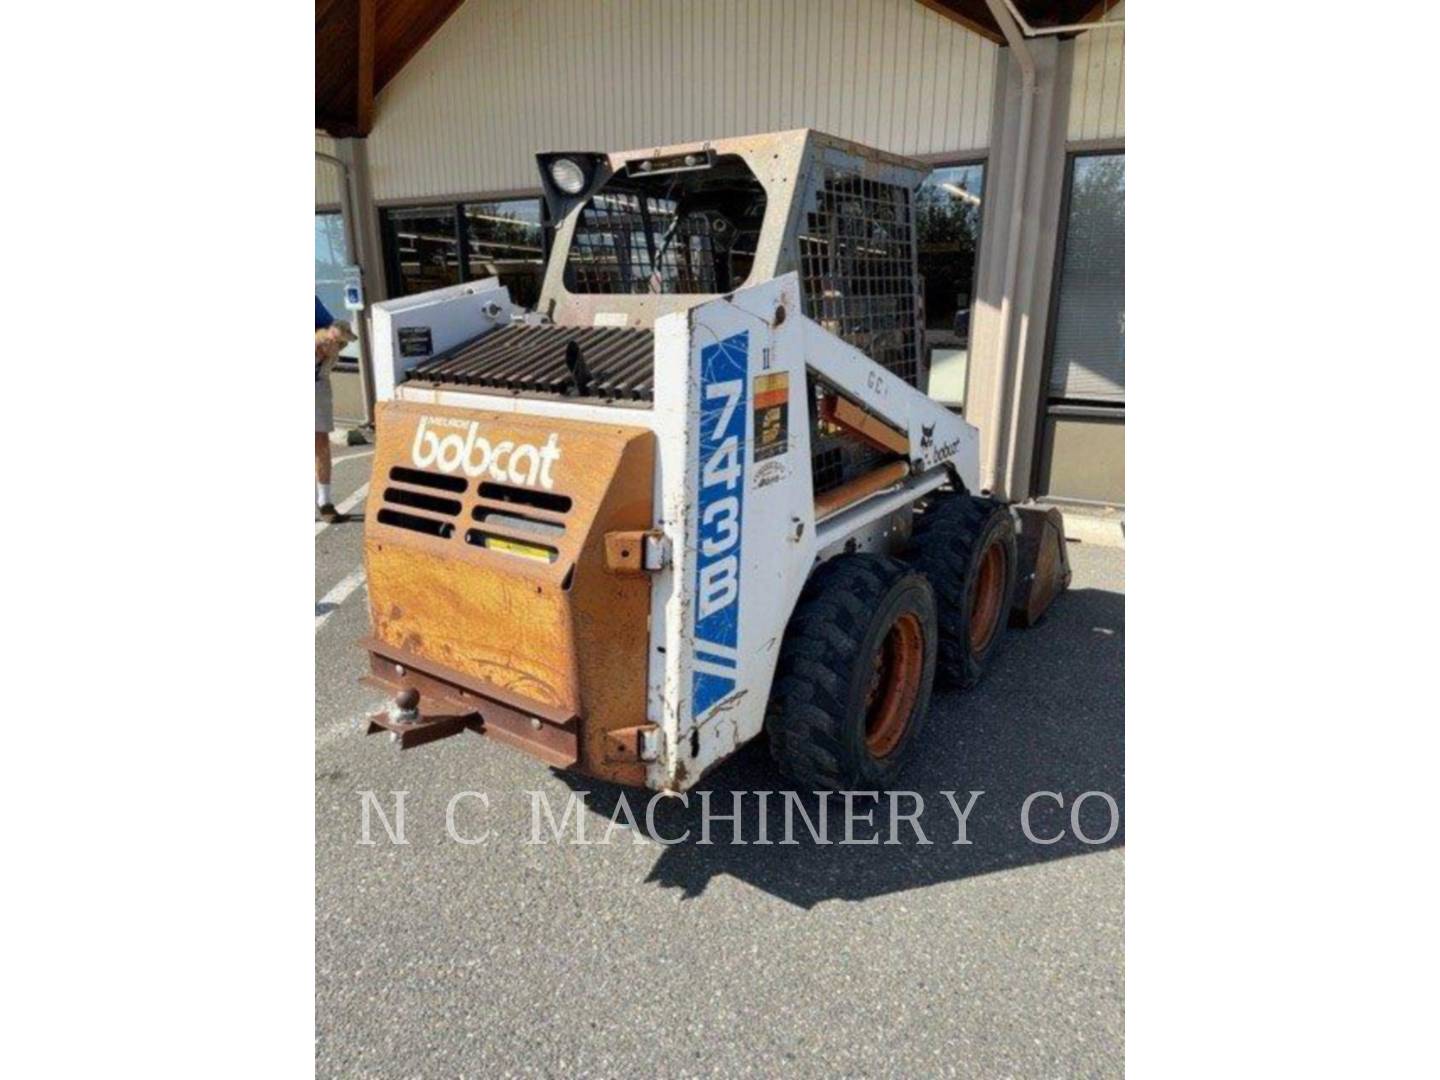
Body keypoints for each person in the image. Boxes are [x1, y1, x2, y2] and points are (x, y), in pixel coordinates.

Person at [315, 297, 356, 522]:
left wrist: (330, 345)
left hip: (315, 382)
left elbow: (336, 333)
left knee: (320, 441)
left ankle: (325, 502)